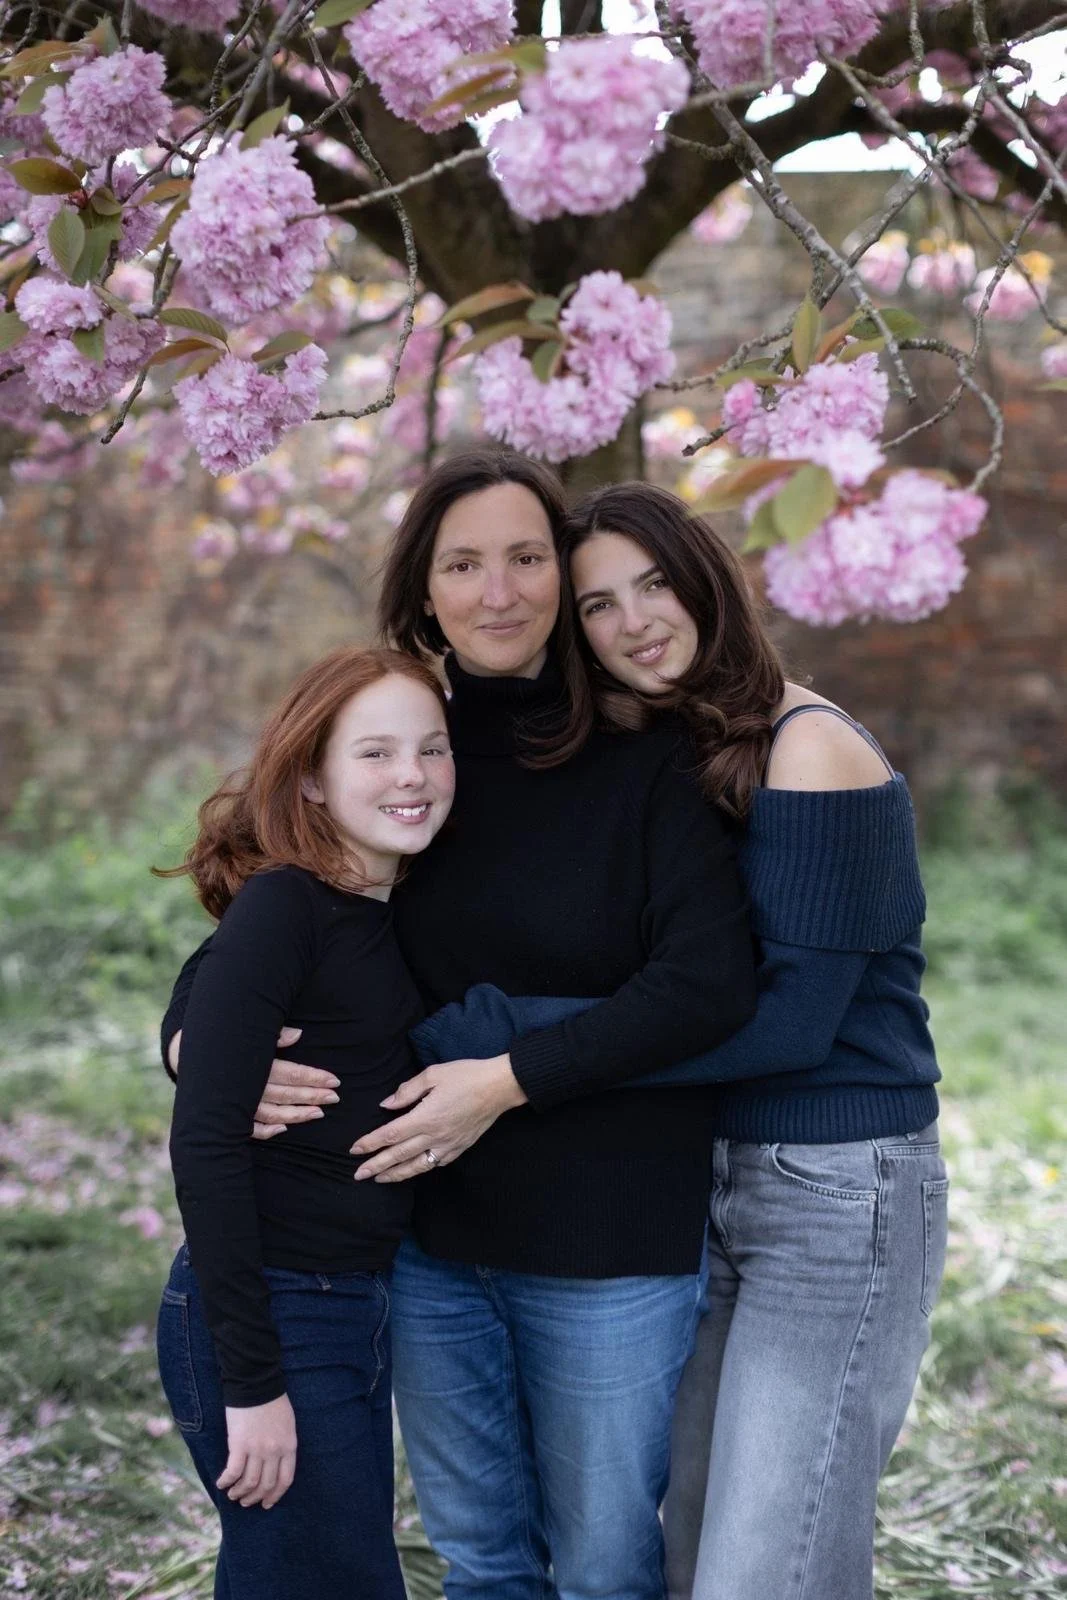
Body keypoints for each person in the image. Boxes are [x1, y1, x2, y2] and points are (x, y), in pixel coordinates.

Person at [160, 448, 758, 1600]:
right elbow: (275, 905)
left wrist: (505, 1078)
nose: (498, 591)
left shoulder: (647, 762)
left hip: (607, 1237)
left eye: (527, 558)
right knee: (482, 1561)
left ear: (561, 577)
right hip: (425, 1245)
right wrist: (191, 1034)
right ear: (421, 591)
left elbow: (705, 984)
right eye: (463, 563)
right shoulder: (406, 748)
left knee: (598, 1566)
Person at [551, 482, 949, 1600]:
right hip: (713, 1183)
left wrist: (532, 1061)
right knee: (689, 1561)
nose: (632, 621)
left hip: (838, 1190)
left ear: (706, 581)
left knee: (766, 1573)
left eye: (653, 584)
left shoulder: (807, 743)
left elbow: (787, 1024)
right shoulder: (683, 752)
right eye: (596, 605)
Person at [155, 646, 456, 1600]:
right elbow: (204, 1141)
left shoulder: (388, 905)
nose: (409, 774)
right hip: (273, 1308)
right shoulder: (288, 904)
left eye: (431, 748)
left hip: (355, 1304)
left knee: (304, 1576)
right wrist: (252, 1386)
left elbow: (205, 986)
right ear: (315, 781)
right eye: (373, 753)